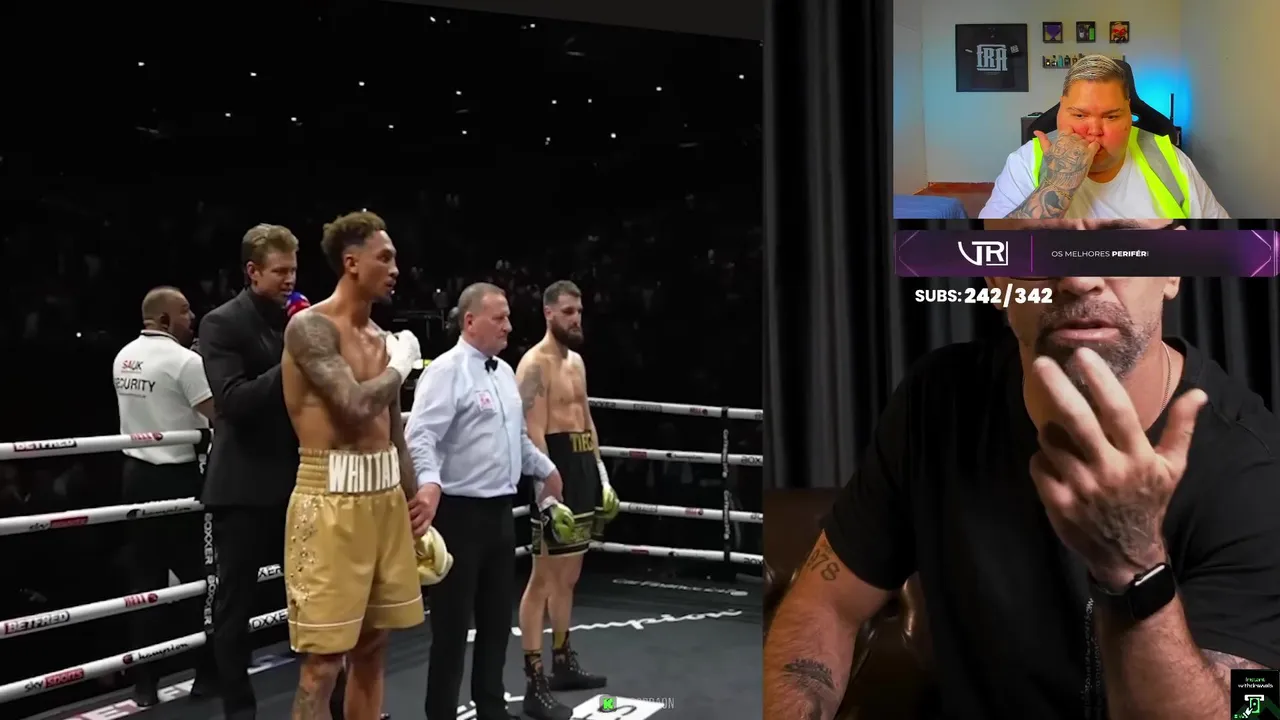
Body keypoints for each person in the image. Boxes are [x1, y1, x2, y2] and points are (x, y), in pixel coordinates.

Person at [763, 267, 1280, 718]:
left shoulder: (1256, 465)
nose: (1079, 279)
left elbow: (1251, 709)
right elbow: (826, 606)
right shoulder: (938, 399)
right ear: (995, 276)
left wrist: (1136, 565)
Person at [280, 210, 429, 719]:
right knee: (323, 664)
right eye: (384, 258)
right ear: (351, 263)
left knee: (373, 646)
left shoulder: (382, 339)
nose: (395, 269)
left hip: (384, 500)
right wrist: (401, 367)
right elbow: (353, 405)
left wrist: (414, 502)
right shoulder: (310, 328)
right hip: (328, 500)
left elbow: (392, 432)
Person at [404, 282, 567, 720]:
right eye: (499, 318)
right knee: (452, 628)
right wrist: (430, 483)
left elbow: (516, 439)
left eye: (508, 317)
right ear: (470, 321)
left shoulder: (505, 373)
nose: (509, 326)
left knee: (496, 622)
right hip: (457, 514)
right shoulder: (446, 371)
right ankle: (440, 714)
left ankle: (492, 709)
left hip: (499, 513)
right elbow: (420, 435)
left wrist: (545, 468)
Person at [200, 224, 302, 720]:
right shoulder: (222, 323)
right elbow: (233, 401)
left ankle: (330, 704)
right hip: (243, 488)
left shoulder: (297, 319)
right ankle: (239, 713)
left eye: (293, 270)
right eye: (279, 271)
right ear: (252, 271)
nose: (289, 280)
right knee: (235, 609)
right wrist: (294, 360)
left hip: (298, 481)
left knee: (314, 597)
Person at [514, 280, 619, 720]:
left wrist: (602, 474)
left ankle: (562, 661)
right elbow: (531, 433)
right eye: (568, 312)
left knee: (569, 576)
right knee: (542, 579)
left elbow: (587, 419)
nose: (576, 319)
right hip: (553, 468)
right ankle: (534, 681)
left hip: (582, 468)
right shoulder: (533, 365)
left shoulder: (576, 362)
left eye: (579, 311)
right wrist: (546, 496)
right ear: (549, 314)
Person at [113, 286, 219, 706]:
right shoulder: (185, 361)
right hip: (179, 478)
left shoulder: (123, 356)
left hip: (135, 477)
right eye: (185, 311)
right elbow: (220, 416)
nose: (192, 317)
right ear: (163, 319)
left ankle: (144, 684)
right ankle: (206, 675)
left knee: (145, 580)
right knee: (201, 578)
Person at [980, 54, 1229, 220]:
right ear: (1060, 110)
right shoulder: (1025, 162)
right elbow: (991, 259)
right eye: (1079, 115)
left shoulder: (1170, 161)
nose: (1094, 130)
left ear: (1129, 114)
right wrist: (1057, 184)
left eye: (1111, 116)